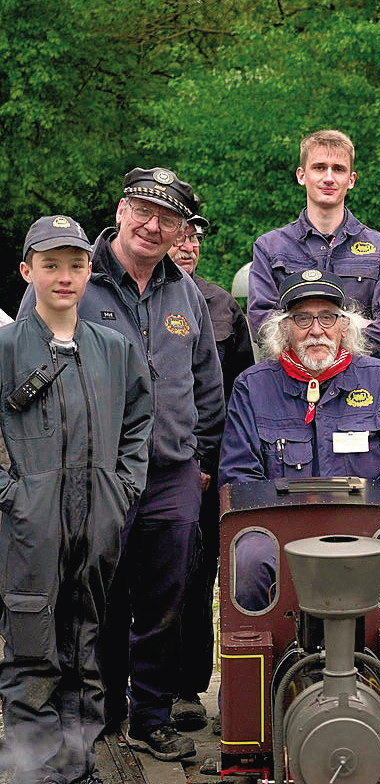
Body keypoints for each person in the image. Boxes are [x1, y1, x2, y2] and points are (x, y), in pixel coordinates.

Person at [19, 168, 225, 761]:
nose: (153, 225)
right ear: (120, 209)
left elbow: (206, 381)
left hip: (172, 475)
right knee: (95, 597)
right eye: (143, 210)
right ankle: (101, 714)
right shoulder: (78, 277)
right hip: (95, 474)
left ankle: (152, 716)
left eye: (168, 219)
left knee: (168, 597)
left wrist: (201, 457)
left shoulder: (183, 290)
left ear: (180, 230)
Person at [0, 215, 152, 784]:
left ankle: (78, 764)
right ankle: (31, 770)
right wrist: (13, 496)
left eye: (75, 264)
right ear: (27, 271)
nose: (64, 277)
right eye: (50, 265)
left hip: (98, 521)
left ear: (90, 269)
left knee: (87, 649)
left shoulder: (113, 347)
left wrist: (123, 487)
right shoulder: (8, 347)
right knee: (33, 651)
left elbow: (141, 419)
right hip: (27, 530)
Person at [221, 270, 380, 611]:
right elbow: (240, 478)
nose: (316, 330)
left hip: (366, 526)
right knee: (250, 559)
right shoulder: (252, 387)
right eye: (302, 318)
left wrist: (366, 524)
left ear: (344, 326)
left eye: (327, 317)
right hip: (278, 529)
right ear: (284, 329)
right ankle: (263, 658)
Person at [169, 213, 255, 730]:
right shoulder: (118, 296)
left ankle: (186, 688)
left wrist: (209, 462)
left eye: (196, 237)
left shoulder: (221, 303)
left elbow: (241, 391)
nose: (188, 244)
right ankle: (127, 689)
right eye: (180, 234)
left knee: (199, 577)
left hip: (207, 469)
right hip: (140, 465)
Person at [248, 129, 380, 357]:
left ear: (351, 180)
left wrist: (303, 327)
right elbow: (262, 329)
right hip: (289, 386)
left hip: (361, 385)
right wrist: (354, 324)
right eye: (319, 167)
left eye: (339, 169)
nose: (329, 178)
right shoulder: (270, 248)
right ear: (302, 175)